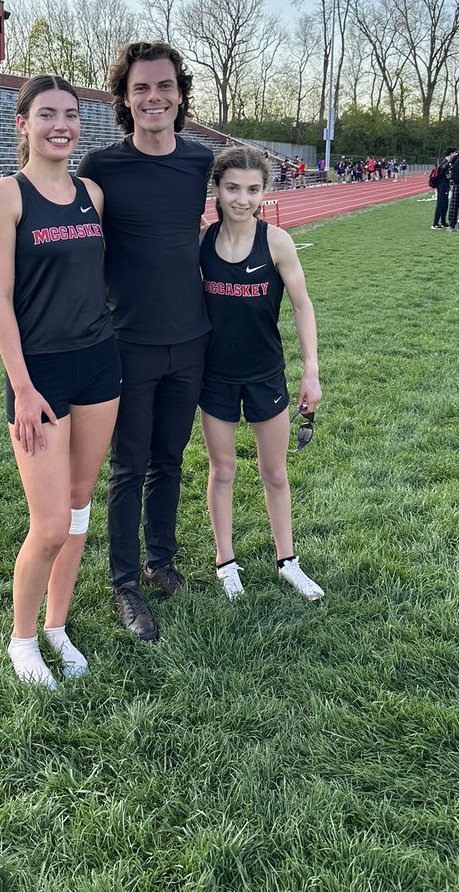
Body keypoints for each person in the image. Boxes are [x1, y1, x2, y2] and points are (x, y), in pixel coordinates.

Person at [0, 74, 121, 689]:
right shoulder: (5, 196)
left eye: (70, 114)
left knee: (80, 502)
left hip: (100, 361)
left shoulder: (92, 192)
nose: (61, 124)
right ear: (23, 124)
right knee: (50, 524)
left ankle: (58, 625)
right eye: (47, 115)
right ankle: (22, 640)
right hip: (39, 374)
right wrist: (23, 385)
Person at [76, 40, 213, 642]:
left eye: (164, 87)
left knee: (171, 460)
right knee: (128, 467)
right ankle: (125, 583)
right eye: (141, 89)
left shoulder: (199, 161)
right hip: (127, 339)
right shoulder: (101, 169)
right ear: (125, 100)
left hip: (192, 336)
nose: (154, 98)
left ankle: (162, 561)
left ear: (180, 94)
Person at [198, 148, 324, 603]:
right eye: (232, 188)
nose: (242, 199)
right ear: (216, 189)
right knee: (224, 469)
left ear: (265, 192)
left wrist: (311, 371)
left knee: (275, 472)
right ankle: (225, 562)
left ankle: (288, 560)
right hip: (215, 377)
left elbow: (302, 305)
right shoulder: (202, 243)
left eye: (253, 189)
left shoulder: (277, 242)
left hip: (265, 374)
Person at [431, 148, 455, 229]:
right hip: (441, 186)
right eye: (454, 153)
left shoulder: (447, 163)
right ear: (451, 153)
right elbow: (442, 174)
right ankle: (435, 223)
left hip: (445, 185)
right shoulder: (444, 163)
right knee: (440, 204)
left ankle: (443, 222)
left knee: (445, 204)